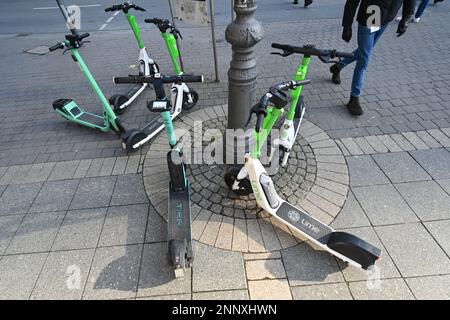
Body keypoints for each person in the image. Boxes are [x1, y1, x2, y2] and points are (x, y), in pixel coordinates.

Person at [329, 0, 416, 116]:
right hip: (372, 14)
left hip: (387, 16)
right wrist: (347, 25)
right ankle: (354, 98)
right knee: (364, 60)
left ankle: (338, 66)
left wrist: (406, 17)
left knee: (365, 52)